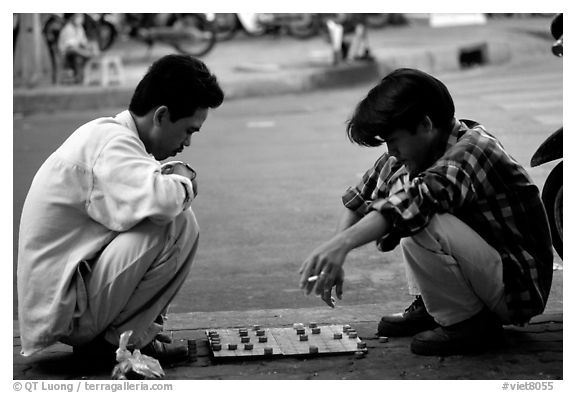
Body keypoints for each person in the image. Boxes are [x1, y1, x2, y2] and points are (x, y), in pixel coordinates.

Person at [298, 68, 553, 356]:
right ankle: (435, 307)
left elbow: (412, 203)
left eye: (393, 139)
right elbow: (362, 197)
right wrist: (335, 252)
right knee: (403, 190)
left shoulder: (473, 149)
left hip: (515, 290)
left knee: (417, 215)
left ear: (425, 124)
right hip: (488, 275)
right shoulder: (415, 151)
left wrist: (341, 245)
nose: (391, 150)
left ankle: (468, 324)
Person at [17, 54, 224, 363]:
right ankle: (119, 345)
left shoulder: (113, 137)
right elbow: (166, 202)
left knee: (165, 216)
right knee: (177, 224)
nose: (188, 142)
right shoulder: (112, 144)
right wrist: (185, 177)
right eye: (188, 130)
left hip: (69, 298)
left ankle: (134, 336)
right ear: (161, 115)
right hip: (67, 310)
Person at [57, 13, 98, 83]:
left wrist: (92, 47)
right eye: (78, 16)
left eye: (81, 16)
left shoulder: (79, 28)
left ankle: (87, 77)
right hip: (67, 55)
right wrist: (86, 53)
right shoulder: (68, 29)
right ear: (72, 17)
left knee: (92, 48)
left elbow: (84, 42)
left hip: (78, 51)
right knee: (78, 58)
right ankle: (79, 79)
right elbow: (72, 48)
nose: (81, 18)